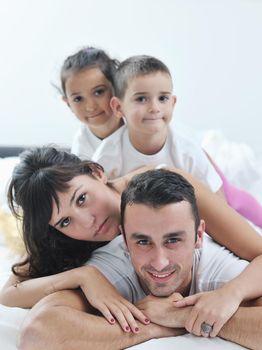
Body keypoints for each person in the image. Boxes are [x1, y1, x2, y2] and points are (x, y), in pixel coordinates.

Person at [1, 147, 262, 333]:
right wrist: (84, 276)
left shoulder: (163, 192)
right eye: (65, 221)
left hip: (235, 210)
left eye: (82, 198)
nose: (86, 221)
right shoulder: (66, 242)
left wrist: (231, 294)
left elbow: (257, 251)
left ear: (96, 172)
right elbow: (9, 295)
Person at [92, 54, 262, 227]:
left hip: (207, 172)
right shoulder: (108, 156)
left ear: (173, 103)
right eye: (141, 99)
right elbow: (101, 204)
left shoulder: (187, 151)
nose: (154, 108)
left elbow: (218, 204)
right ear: (118, 107)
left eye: (163, 98)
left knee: (234, 200)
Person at [60, 46, 124, 159]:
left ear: (117, 87)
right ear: (68, 103)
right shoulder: (81, 147)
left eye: (99, 92)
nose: (90, 107)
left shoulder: (138, 124)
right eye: (78, 99)